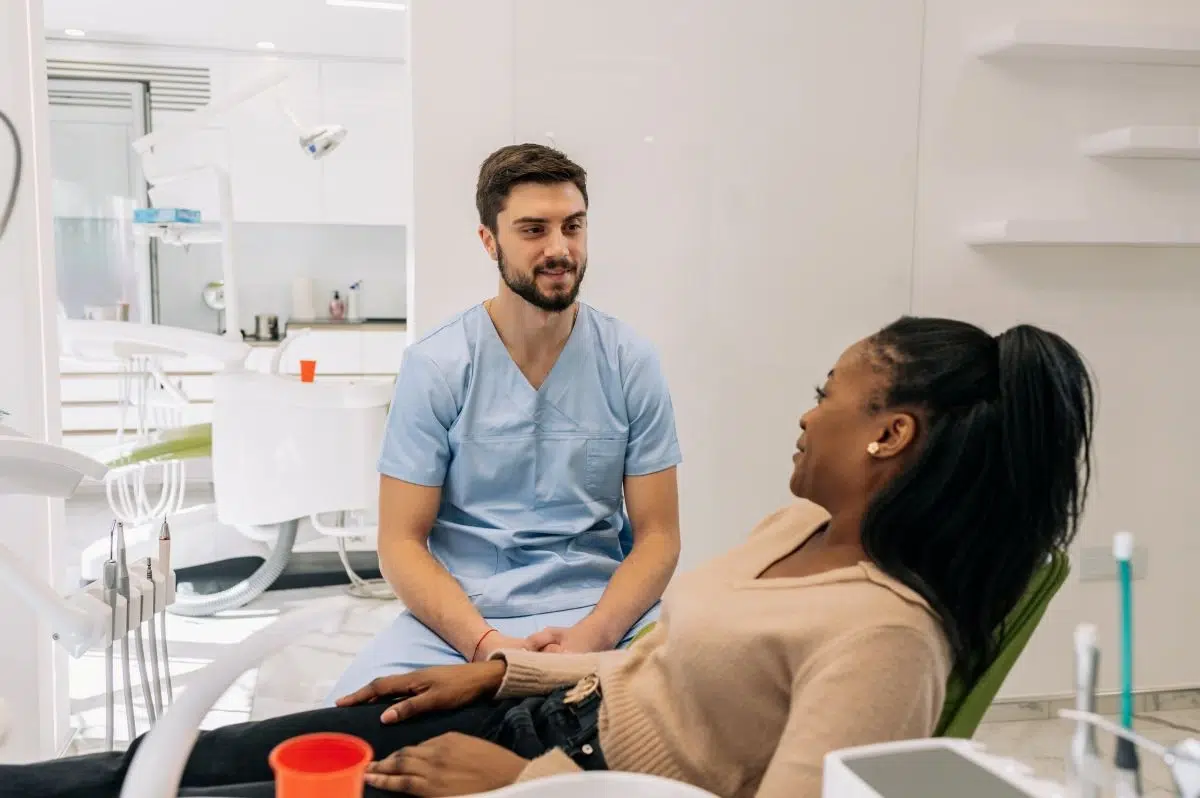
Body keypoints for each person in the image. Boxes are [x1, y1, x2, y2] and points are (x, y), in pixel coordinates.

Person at [7, 316, 1095, 798]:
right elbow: (664, 670)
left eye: (830, 393)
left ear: (889, 434)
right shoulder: (798, 526)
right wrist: (498, 671)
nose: (807, 414)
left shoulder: (885, 642)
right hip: (528, 708)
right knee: (175, 757)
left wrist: (525, 789)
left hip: (559, 779)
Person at [327, 143, 684, 700]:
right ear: (489, 241)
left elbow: (659, 535)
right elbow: (400, 542)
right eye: (533, 230)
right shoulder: (438, 367)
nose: (560, 248)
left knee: (698, 707)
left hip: (604, 612)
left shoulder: (629, 361)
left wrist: (593, 636)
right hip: (460, 622)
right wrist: (486, 645)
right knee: (352, 720)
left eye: (573, 226)